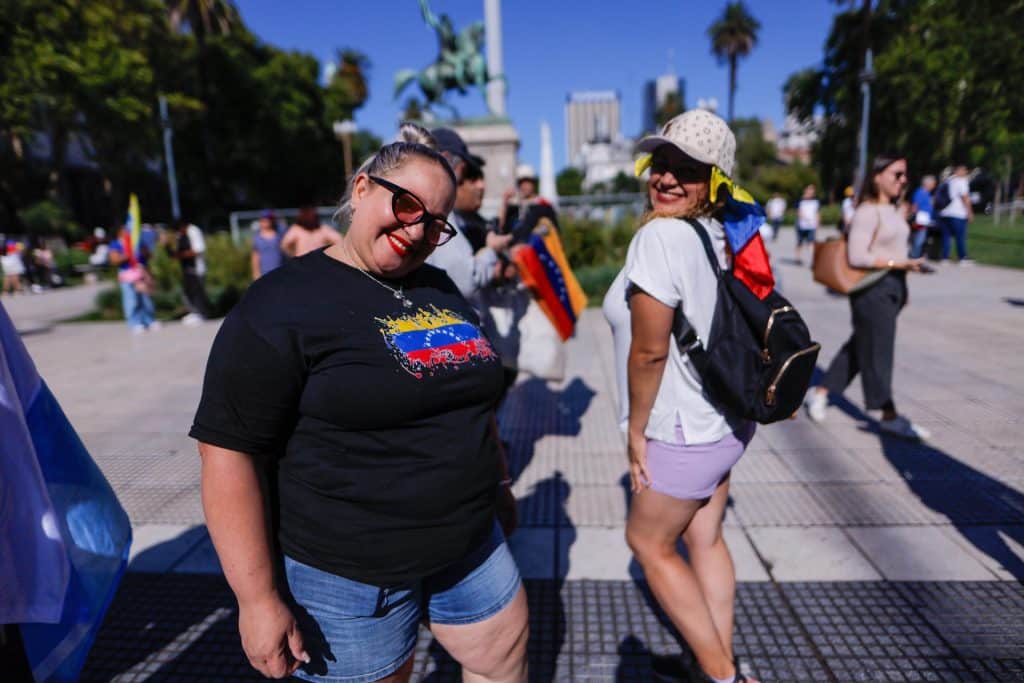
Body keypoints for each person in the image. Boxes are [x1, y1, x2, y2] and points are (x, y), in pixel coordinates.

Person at [190, 125, 528, 683]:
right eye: (407, 203)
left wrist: (498, 482)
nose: (418, 228)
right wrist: (256, 599)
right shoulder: (281, 303)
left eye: (437, 223)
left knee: (503, 665)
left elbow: (472, 397)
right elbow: (226, 450)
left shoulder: (440, 286)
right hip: (350, 574)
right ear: (364, 189)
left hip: (472, 545)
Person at [605, 109, 761, 683]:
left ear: (714, 180)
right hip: (726, 421)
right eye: (662, 163)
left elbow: (648, 352)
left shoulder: (661, 236)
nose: (667, 178)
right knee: (706, 537)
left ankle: (722, 675)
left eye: (688, 171)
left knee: (648, 542)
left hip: (681, 428)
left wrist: (635, 434)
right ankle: (712, 661)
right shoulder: (724, 231)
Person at [805, 154, 930, 440]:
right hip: (871, 289)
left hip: (893, 287)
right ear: (877, 176)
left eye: (904, 175)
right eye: (896, 174)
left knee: (862, 344)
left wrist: (906, 272)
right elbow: (858, 256)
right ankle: (888, 414)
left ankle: (821, 391)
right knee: (879, 351)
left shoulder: (894, 211)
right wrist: (898, 264)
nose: (903, 180)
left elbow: (894, 251)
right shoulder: (867, 211)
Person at [425, 127, 513, 309]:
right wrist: (491, 251)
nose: (480, 185)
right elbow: (466, 280)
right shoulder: (439, 213)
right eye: (466, 173)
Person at [108, 227, 159, 334]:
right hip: (128, 275)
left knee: (146, 299)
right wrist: (127, 255)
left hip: (141, 273)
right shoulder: (116, 244)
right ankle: (135, 323)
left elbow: (148, 255)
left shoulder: (138, 242)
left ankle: (149, 320)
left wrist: (142, 251)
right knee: (131, 300)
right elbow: (114, 260)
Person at [167, 219, 215, 325]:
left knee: (198, 292)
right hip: (187, 269)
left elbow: (198, 250)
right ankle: (194, 312)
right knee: (189, 292)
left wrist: (180, 255)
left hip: (196, 268)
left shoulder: (193, 231)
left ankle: (202, 314)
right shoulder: (182, 234)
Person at [498, 164, 558, 243]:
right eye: (521, 183)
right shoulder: (514, 208)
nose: (524, 186)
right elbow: (501, 228)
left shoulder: (544, 206)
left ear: (533, 183)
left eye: (527, 182)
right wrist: (504, 202)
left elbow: (551, 231)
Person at [937, 163, 973, 264]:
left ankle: (945, 258)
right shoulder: (962, 181)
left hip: (944, 212)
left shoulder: (948, 180)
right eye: (964, 170)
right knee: (960, 236)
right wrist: (969, 212)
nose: (966, 172)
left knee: (946, 236)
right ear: (959, 171)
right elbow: (965, 197)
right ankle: (962, 257)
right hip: (957, 213)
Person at [251, 209, 284, 280]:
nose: (267, 221)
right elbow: (255, 257)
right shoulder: (257, 238)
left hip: (280, 272)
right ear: (260, 221)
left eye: (269, 219)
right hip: (264, 274)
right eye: (264, 219)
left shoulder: (279, 234)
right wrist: (256, 273)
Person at [909, 175, 937, 258]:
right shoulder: (921, 192)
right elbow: (915, 206)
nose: (934, 186)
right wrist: (913, 216)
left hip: (925, 219)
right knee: (919, 238)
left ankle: (916, 255)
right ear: (927, 184)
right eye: (933, 184)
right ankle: (914, 256)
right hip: (920, 219)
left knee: (921, 238)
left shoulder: (927, 193)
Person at [795, 184, 820, 264]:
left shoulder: (816, 201)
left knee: (811, 242)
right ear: (805, 190)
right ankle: (798, 258)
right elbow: (798, 211)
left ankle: (812, 259)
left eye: (812, 190)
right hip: (801, 225)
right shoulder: (800, 200)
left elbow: (817, 212)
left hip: (812, 225)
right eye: (809, 190)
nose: (810, 192)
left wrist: (818, 222)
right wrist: (803, 217)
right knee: (800, 242)